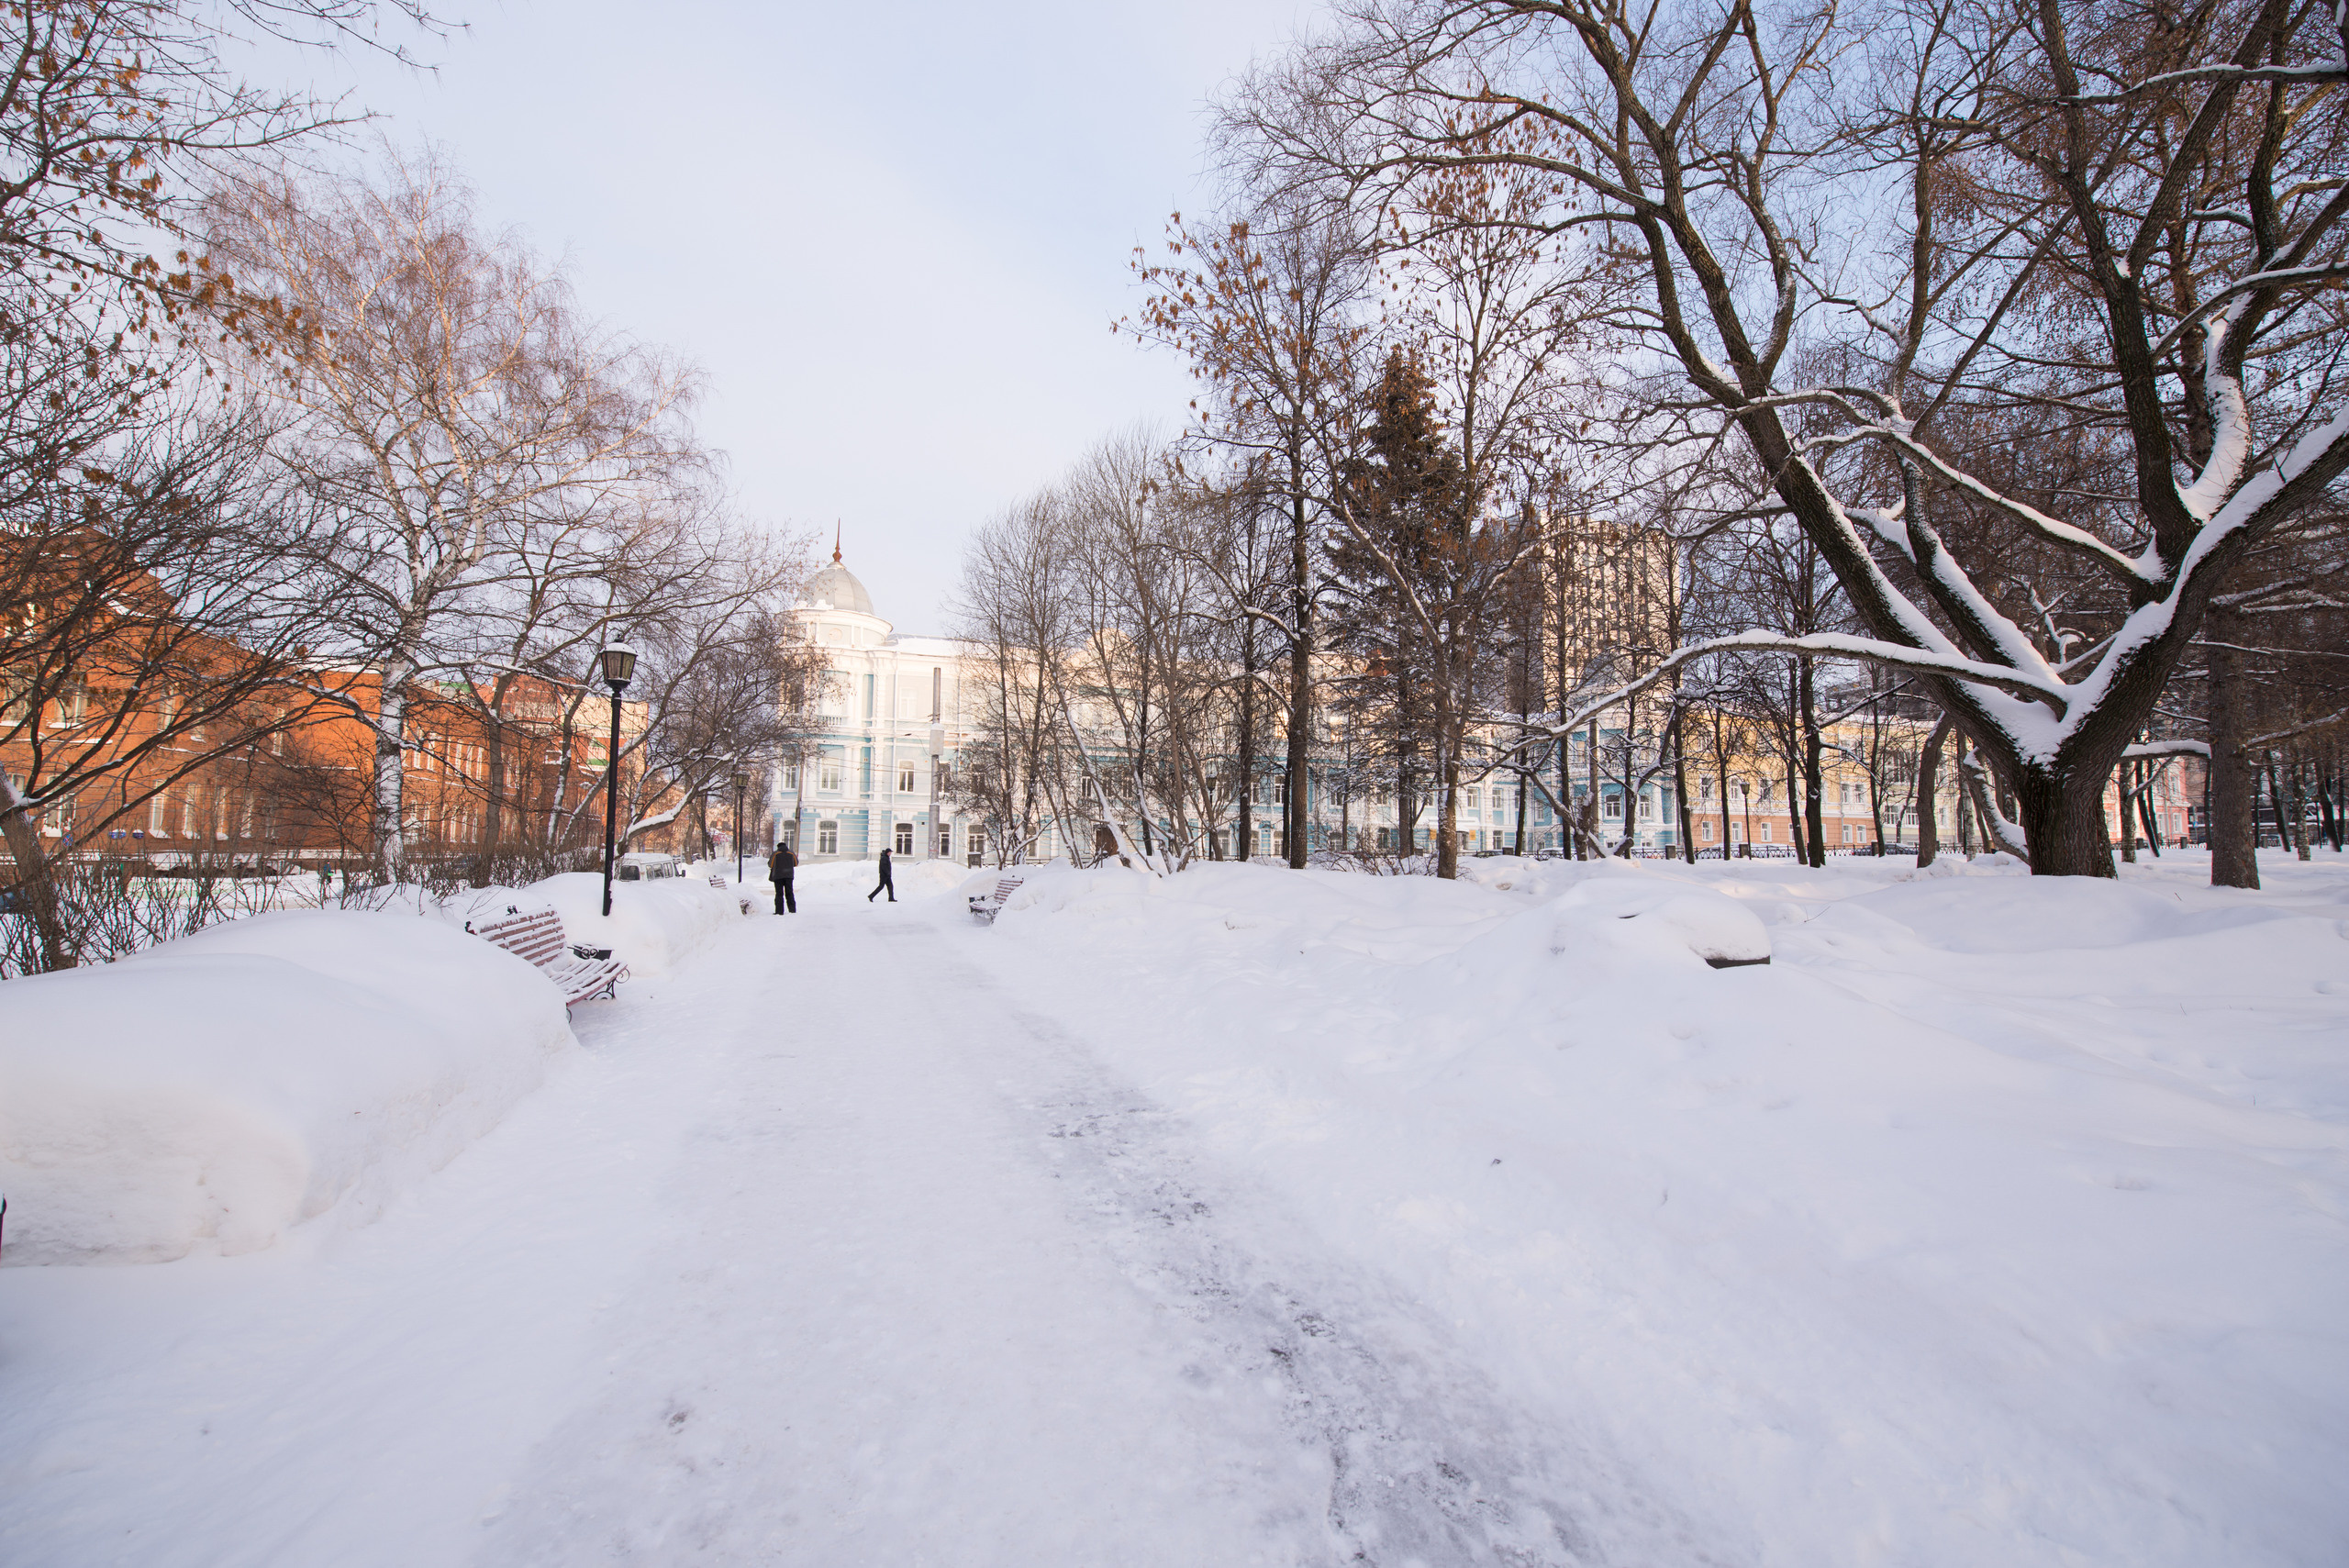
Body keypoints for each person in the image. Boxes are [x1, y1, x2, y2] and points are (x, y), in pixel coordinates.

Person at [768, 841, 796, 914]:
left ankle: (779, 911)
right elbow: (796, 863)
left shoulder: (775, 853)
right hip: (789, 876)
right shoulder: (791, 853)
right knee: (789, 893)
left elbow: (770, 864)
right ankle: (792, 910)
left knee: (779, 894)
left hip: (778, 876)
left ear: (778, 847)